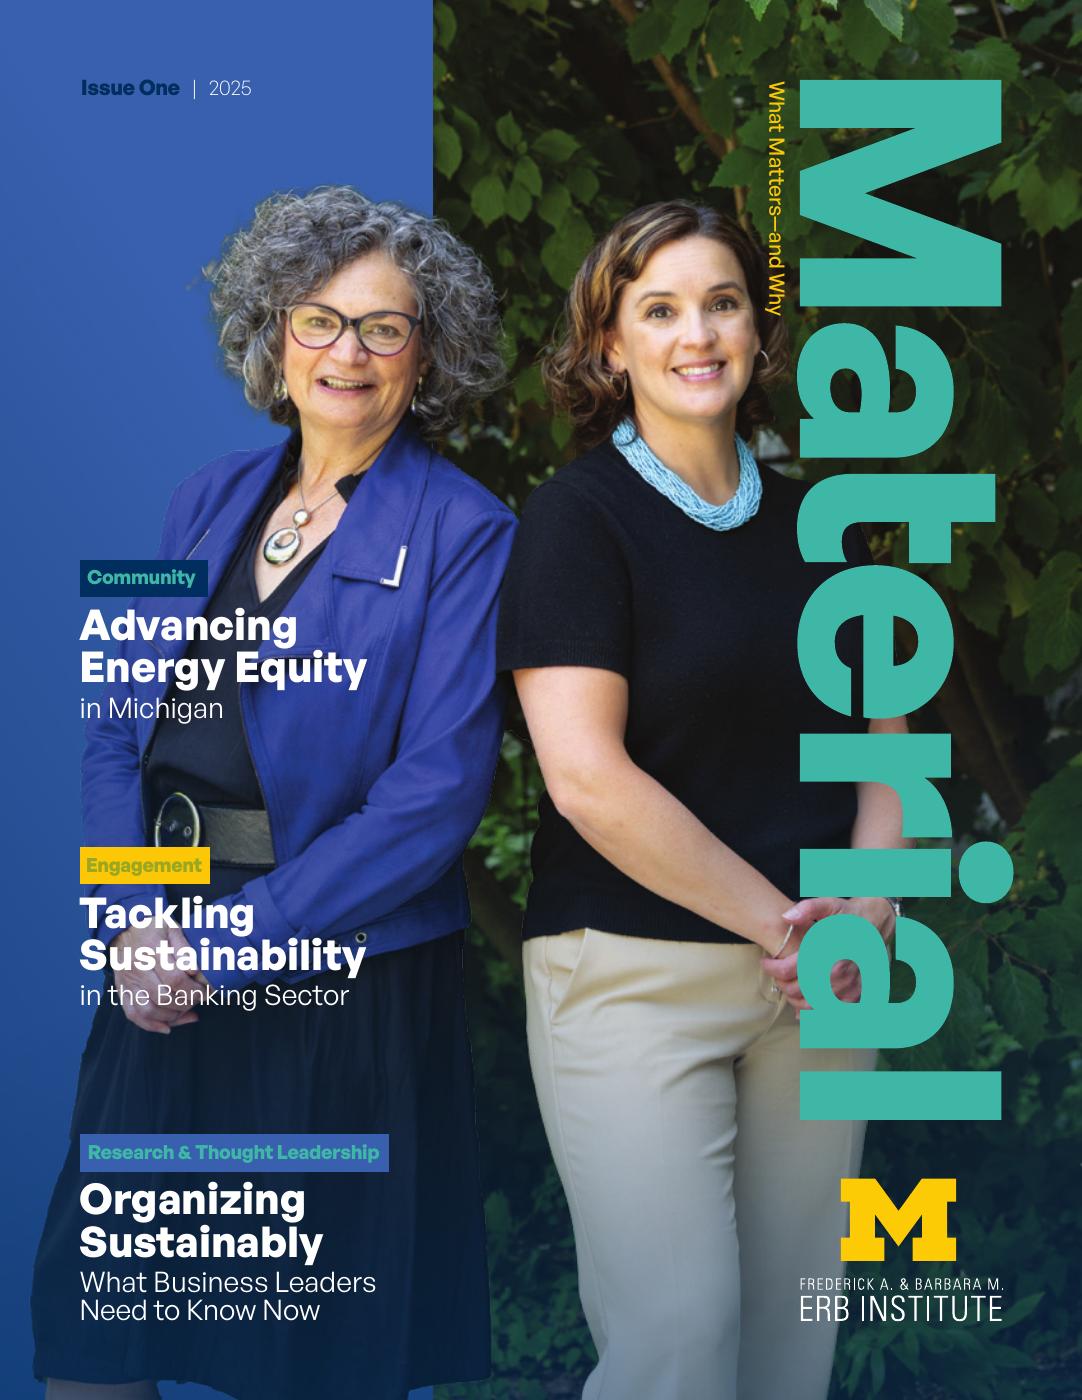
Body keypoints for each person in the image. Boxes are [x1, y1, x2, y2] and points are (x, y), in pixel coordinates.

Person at [34, 187, 515, 1400]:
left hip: (338, 991)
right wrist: (139, 921)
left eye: (383, 328)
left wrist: (227, 944)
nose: (345, 353)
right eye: (319, 320)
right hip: (158, 969)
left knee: (308, 1363)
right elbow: (112, 735)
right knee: (95, 1343)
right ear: (274, 335)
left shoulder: (466, 531)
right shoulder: (201, 501)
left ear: (428, 355)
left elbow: (435, 793)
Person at [496, 200, 908, 1400]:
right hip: (631, 975)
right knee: (676, 1337)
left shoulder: (818, 527)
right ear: (608, 345)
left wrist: (870, 890)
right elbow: (584, 776)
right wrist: (784, 919)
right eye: (658, 308)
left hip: (817, 984)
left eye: (721, 302)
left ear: (756, 333)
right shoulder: (575, 521)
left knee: (790, 1346)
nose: (696, 333)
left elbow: (888, 738)